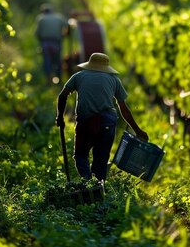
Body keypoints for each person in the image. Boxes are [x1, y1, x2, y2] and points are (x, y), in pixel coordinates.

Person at [56, 52, 148, 181]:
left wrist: (60, 117)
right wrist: (138, 130)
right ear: (106, 67)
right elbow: (124, 109)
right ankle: (99, 188)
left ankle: (87, 183)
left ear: (90, 64)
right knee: (101, 159)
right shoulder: (114, 80)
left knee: (81, 156)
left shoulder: (78, 76)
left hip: (85, 122)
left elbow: (62, 95)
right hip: (107, 122)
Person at [35, 3, 68, 83]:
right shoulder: (59, 18)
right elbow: (67, 26)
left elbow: (37, 33)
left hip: (46, 43)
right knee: (58, 61)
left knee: (47, 61)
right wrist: (63, 36)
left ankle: (49, 80)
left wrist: (40, 42)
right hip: (56, 42)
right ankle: (59, 79)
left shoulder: (41, 18)